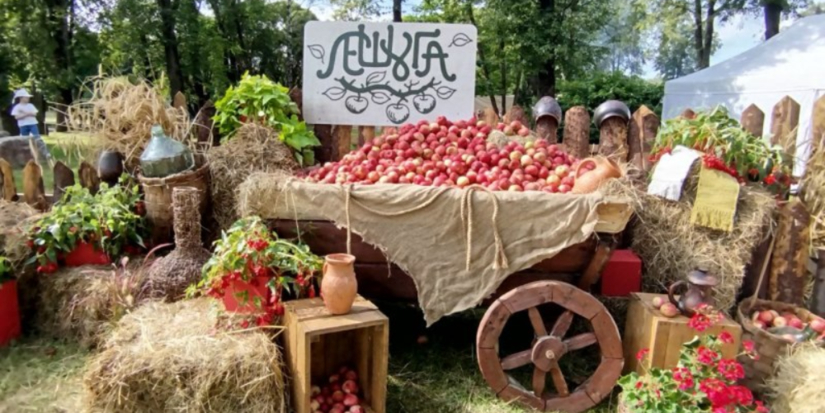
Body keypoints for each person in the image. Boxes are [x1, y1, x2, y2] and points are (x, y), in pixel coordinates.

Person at [11, 88, 52, 162]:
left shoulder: (30, 106)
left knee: (37, 138)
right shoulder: (17, 107)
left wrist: (24, 113)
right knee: (24, 140)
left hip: (32, 124)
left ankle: (46, 153)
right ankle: (26, 156)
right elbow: (17, 117)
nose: (28, 98)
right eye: (26, 97)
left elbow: (34, 114)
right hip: (23, 125)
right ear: (21, 98)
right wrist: (27, 113)